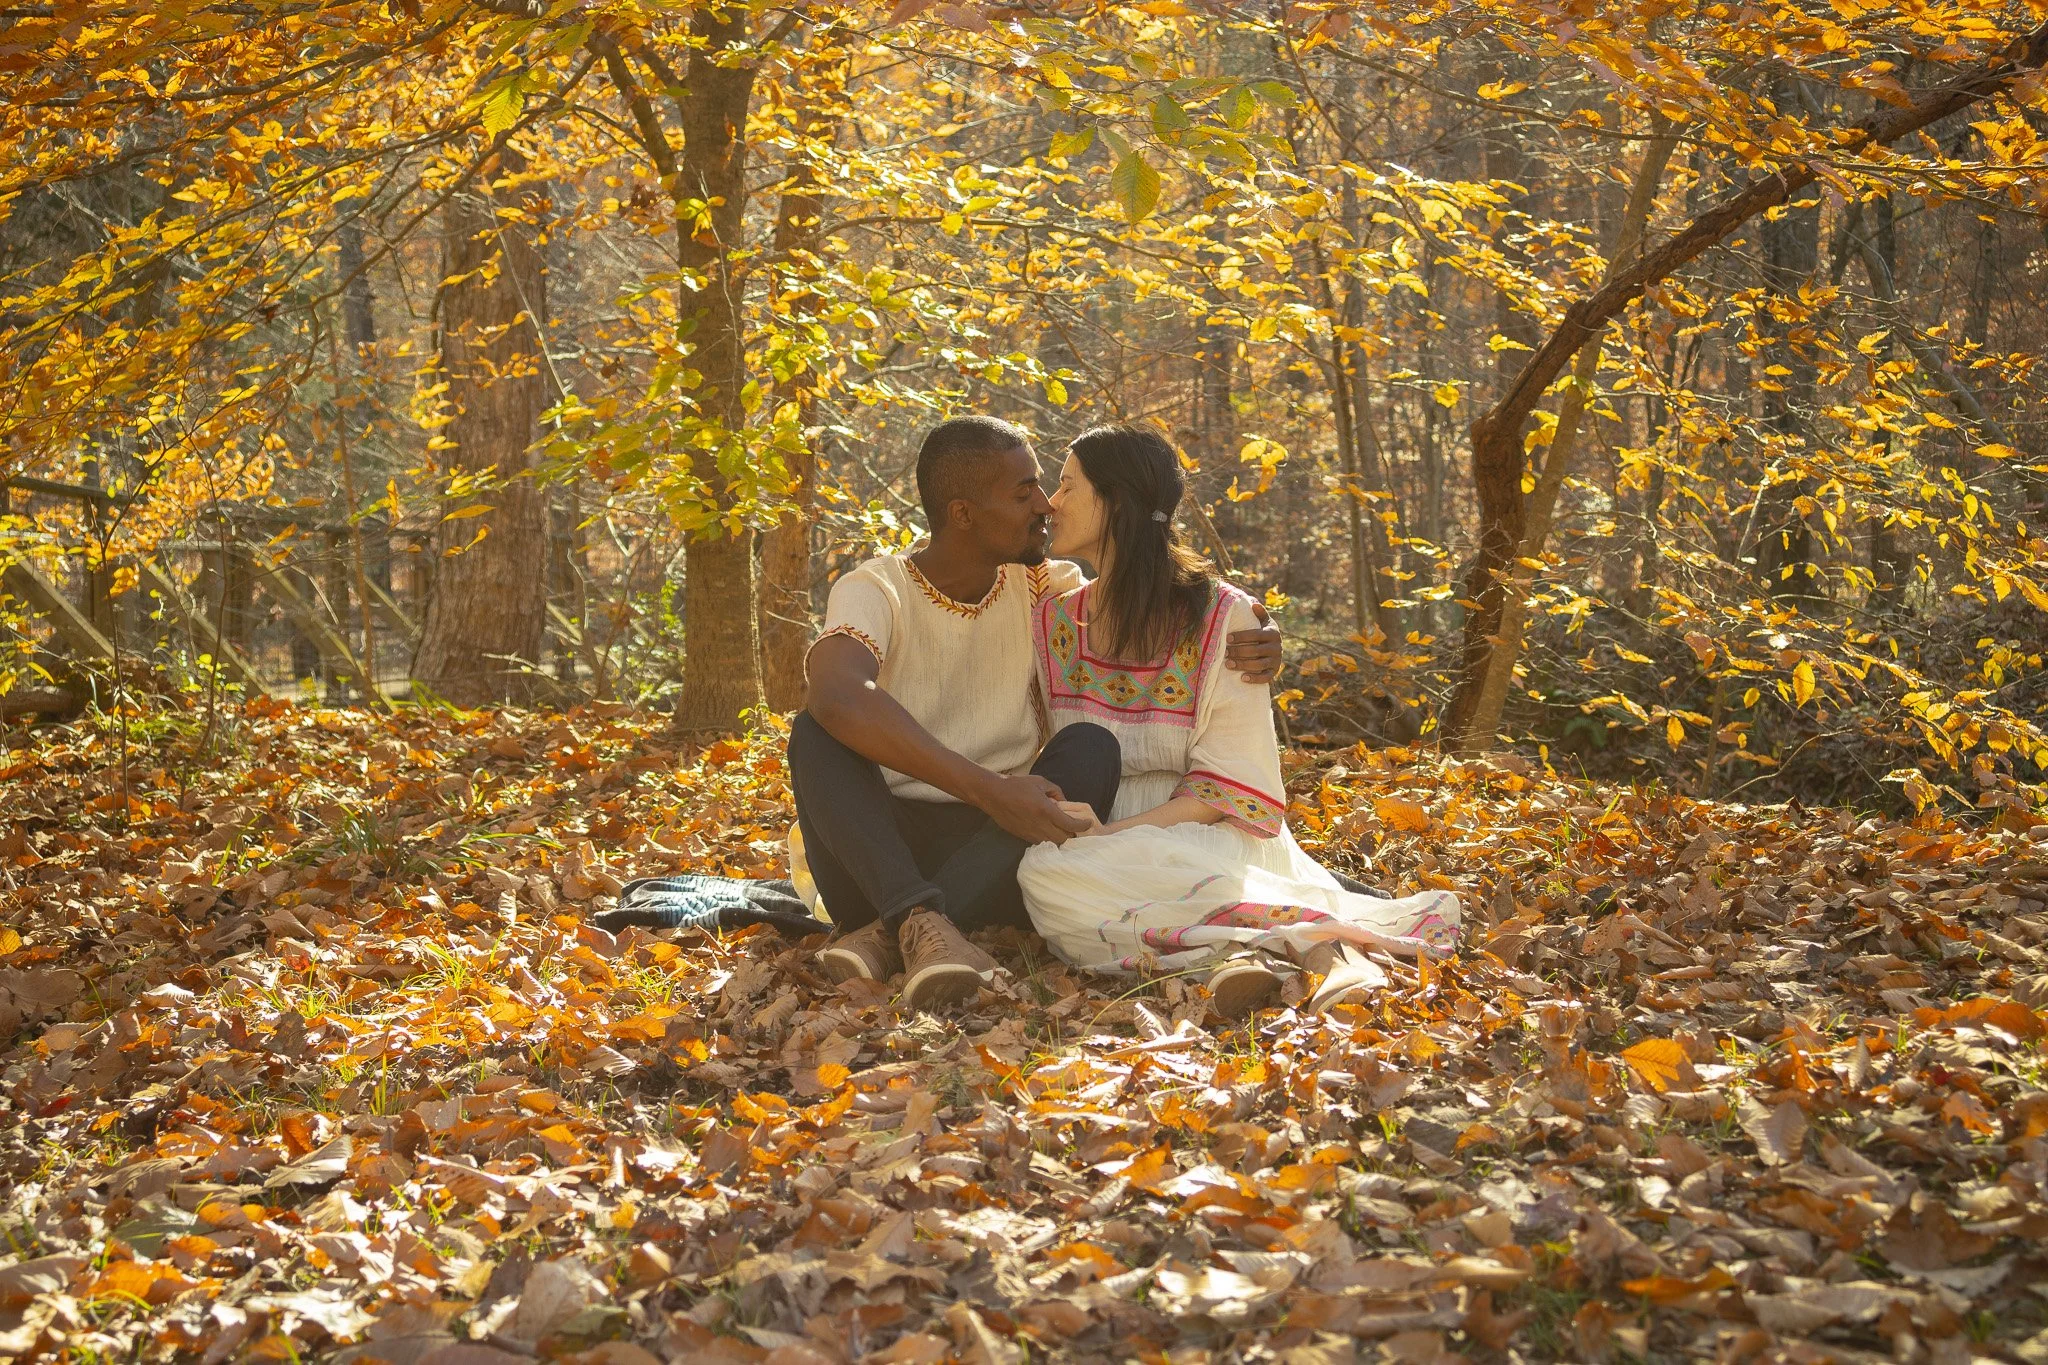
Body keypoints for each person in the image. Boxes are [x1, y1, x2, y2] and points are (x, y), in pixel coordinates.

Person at [797, 415, 1285, 1009]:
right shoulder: (876, 589)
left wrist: (1257, 630)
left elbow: (1147, 584)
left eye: (1049, 486)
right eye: (1024, 490)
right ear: (963, 513)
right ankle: (914, 915)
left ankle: (895, 932)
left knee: (1089, 746)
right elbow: (837, 694)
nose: (1046, 506)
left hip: (999, 850)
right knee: (815, 729)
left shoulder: (1045, 587)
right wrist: (987, 789)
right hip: (876, 856)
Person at [1016, 423, 1462, 1018]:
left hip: (1203, 830)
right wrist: (1093, 836)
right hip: (1097, 834)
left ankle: (1335, 962)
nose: (1051, 502)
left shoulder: (1223, 618)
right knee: (1044, 874)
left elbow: (1225, 786)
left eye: (1068, 485)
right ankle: (1235, 959)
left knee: (1109, 870)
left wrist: (1113, 838)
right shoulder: (1053, 618)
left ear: (1114, 501)